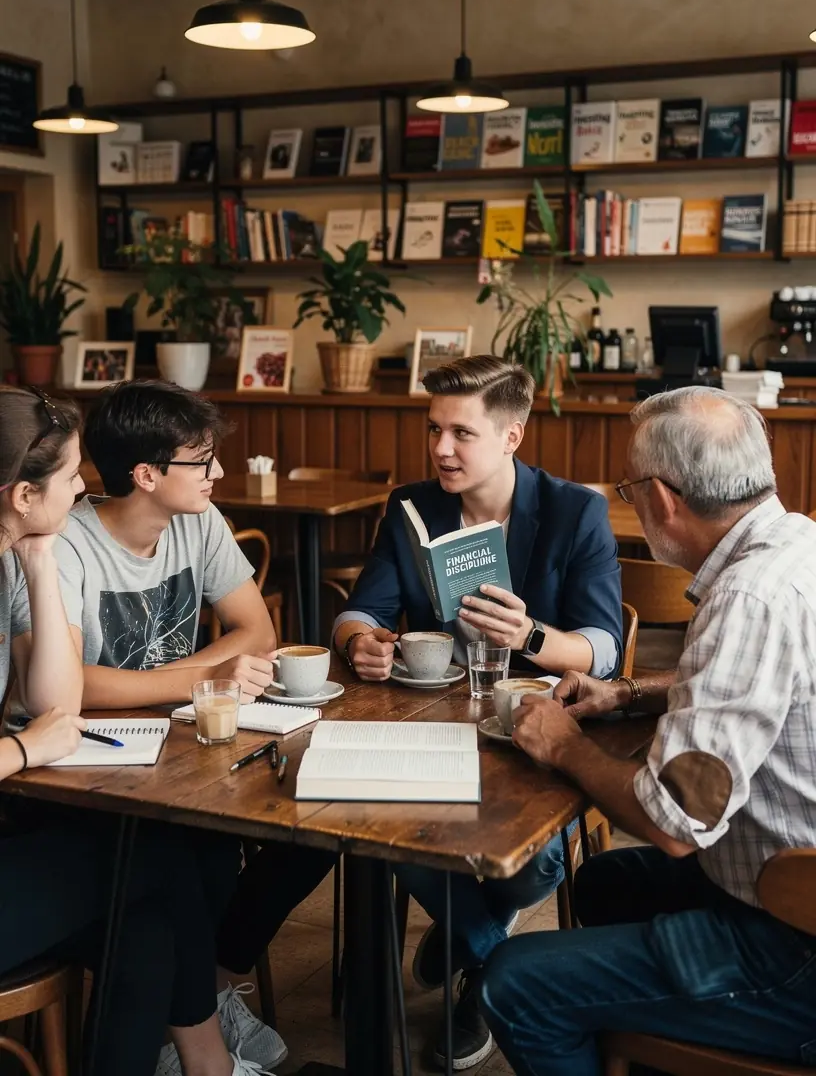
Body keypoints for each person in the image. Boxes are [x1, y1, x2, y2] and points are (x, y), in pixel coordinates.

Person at [481, 386, 816, 1076]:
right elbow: (760, 687)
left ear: (663, 500)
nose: (632, 502)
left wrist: (566, 746)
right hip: (776, 884)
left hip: (794, 948)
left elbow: (672, 824)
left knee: (511, 982)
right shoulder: (798, 545)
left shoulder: (747, 599)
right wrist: (630, 692)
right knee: (604, 885)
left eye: (631, 491)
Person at [12, 379, 335, 1072]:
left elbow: (258, 632)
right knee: (163, 862)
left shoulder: (38, 551)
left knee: (186, 886)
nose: (81, 493)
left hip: (158, 752)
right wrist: (21, 745)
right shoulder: (58, 544)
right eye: (71, 479)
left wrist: (37, 559)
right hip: (67, 785)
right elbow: (60, 701)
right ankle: (208, 1047)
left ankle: (199, 1046)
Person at [332, 355, 622, 1070]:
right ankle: (482, 961)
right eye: (434, 429)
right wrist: (361, 640)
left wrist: (529, 636)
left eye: (461, 433)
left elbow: (605, 648)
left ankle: (466, 930)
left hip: (534, 731)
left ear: (512, 436)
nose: (440, 449)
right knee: (383, 825)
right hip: (428, 723)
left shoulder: (572, 510)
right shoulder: (412, 507)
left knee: (538, 865)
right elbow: (360, 610)